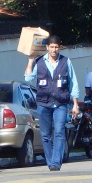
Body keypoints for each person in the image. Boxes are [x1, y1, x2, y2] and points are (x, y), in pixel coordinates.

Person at [25, 35, 79, 171]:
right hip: (43, 104)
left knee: (60, 131)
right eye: (52, 47)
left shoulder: (66, 62)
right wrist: (30, 61)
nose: (54, 50)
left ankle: (56, 162)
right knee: (45, 134)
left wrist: (75, 104)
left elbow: (73, 84)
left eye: (56, 47)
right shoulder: (39, 62)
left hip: (60, 103)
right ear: (47, 48)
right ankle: (50, 162)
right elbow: (28, 78)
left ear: (59, 48)